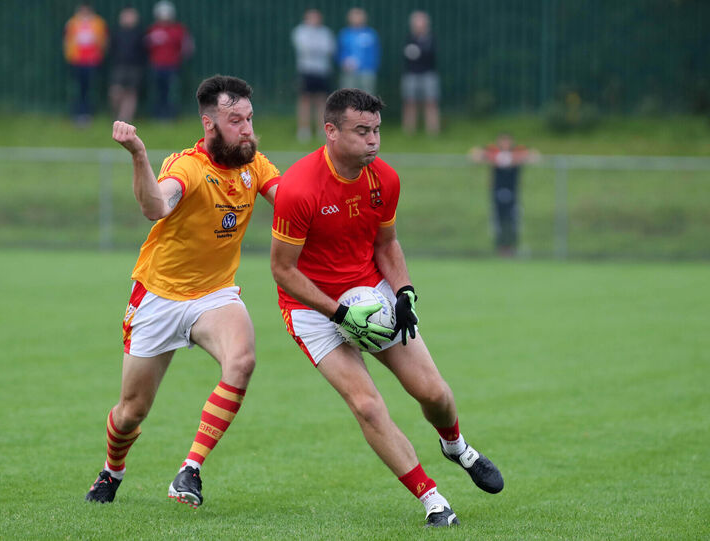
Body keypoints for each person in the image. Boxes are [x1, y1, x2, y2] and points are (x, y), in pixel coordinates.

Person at [270, 88, 503, 528]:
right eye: (362, 131)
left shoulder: (385, 179)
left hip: (370, 291)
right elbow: (282, 271)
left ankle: (456, 447)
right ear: (331, 131)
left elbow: (387, 243)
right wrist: (338, 313)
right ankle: (432, 499)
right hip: (311, 308)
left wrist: (404, 291)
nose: (373, 141)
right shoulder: (299, 188)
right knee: (368, 406)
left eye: (377, 130)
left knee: (434, 393)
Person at [85, 75, 280, 507]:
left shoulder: (256, 165)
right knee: (131, 411)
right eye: (236, 120)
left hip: (214, 295)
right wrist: (138, 154)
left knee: (242, 361)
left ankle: (189, 471)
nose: (247, 128)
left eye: (249, 118)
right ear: (210, 124)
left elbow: (291, 201)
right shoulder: (187, 167)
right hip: (159, 297)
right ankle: (111, 471)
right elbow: (155, 206)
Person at [469, 134, 541, 257]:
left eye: (507, 141)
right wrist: (494, 158)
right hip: (497, 191)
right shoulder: (493, 151)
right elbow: (473, 155)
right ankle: (500, 247)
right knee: (498, 220)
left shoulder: (517, 151)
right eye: (502, 141)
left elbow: (536, 157)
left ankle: (512, 247)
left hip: (513, 191)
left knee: (513, 220)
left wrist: (515, 158)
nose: (505, 144)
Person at [291, 8, 336, 142]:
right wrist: (317, 48)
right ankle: (304, 130)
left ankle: (321, 129)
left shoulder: (326, 32)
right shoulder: (300, 31)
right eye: (311, 17)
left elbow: (329, 49)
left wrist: (316, 48)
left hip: (322, 71)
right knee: (305, 100)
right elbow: (305, 48)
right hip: (306, 70)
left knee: (322, 100)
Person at [145, 0, 194, 120]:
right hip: (156, 66)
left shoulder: (178, 29)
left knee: (171, 93)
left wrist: (179, 59)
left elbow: (187, 47)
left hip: (172, 66)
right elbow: (145, 47)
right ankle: (157, 115)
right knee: (157, 92)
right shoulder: (153, 30)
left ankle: (170, 115)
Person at [63, 3, 109, 126]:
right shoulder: (72, 23)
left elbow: (103, 41)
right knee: (79, 88)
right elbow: (67, 41)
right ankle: (78, 113)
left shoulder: (98, 23)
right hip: (77, 61)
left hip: (92, 61)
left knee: (89, 88)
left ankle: (88, 114)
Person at [401, 10, 440, 136]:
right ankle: (409, 131)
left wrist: (419, 53)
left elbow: (431, 56)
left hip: (428, 74)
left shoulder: (431, 38)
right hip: (411, 74)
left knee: (430, 102)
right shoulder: (409, 38)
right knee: (410, 102)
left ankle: (433, 131)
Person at [108, 7, 147, 122]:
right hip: (119, 66)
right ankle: (116, 116)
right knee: (115, 92)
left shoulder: (140, 34)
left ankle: (125, 119)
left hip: (135, 67)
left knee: (131, 93)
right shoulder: (117, 33)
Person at [337, 8, 380, 95]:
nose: (357, 19)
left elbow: (375, 53)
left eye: (359, 17)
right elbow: (339, 52)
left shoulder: (370, 34)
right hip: (349, 72)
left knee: (367, 97)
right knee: (348, 97)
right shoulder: (344, 34)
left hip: (367, 71)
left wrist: (370, 66)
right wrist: (344, 62)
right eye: (354, 17)